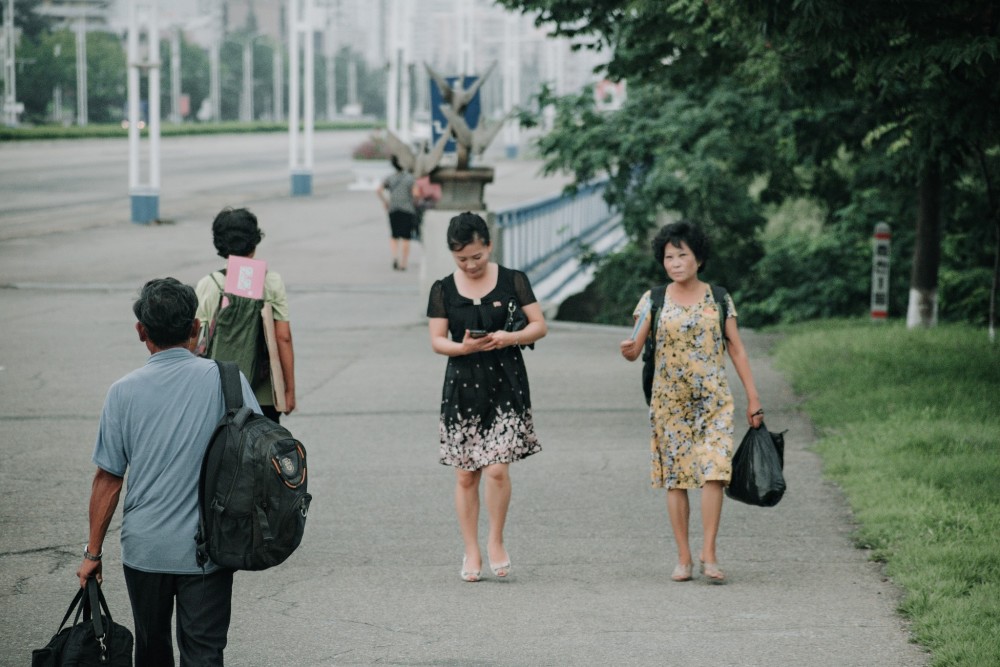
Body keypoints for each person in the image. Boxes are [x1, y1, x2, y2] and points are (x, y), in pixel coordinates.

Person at [77, 277, 262, 665]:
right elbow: (258, 456)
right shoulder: (228, 380)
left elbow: (109, 480)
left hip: (145, 550)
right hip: (208, 551)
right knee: (204, 654)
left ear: (141, 331)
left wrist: (93, 553)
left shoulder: (122, 391)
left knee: (152, 650)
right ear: (196, 328)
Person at [619, 221, 763, 584]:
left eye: (683, 255)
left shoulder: (718, 297)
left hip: (714, 400)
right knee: (676, 480)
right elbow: (634, 349)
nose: (676, 263)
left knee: (715, 472)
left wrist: (753, 398)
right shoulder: (654, 299)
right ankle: (683, 557)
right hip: (669, 402)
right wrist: (629, 349)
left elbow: (736, 348)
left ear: (699, 258)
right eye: (669, 256)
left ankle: (709, 554)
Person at [426, 212, 547, 582]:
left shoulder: (513, 280)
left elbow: (539, 325)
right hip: (463, 386)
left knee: (496, 468)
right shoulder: (443, 289)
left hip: (505, 383)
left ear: (489, 246)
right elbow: (436, 340)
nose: (471, 264)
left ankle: (496, 540)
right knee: (466, 476)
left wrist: (510, 338)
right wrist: (461, 348)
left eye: (476, 256)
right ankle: (471, 549)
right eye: (462, 259)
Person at [195, 206, 296, 423]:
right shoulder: (271, 281)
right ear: (255, 240)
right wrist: (289, 390)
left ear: (219, 243)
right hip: (263, 396)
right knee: (262, 451)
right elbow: (283, 337)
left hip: (219, 393)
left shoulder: (208, 285)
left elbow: (195, 341)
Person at [376, 156, 420, 270]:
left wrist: (386, 202)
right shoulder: (410, 178)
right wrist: (414, 203)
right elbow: (416, 194)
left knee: (394, 235)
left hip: (393, 209)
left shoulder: (390, 178)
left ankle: (395, 256)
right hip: (407, 209)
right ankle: (403, 263)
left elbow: (379, 190)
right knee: (406, 237)